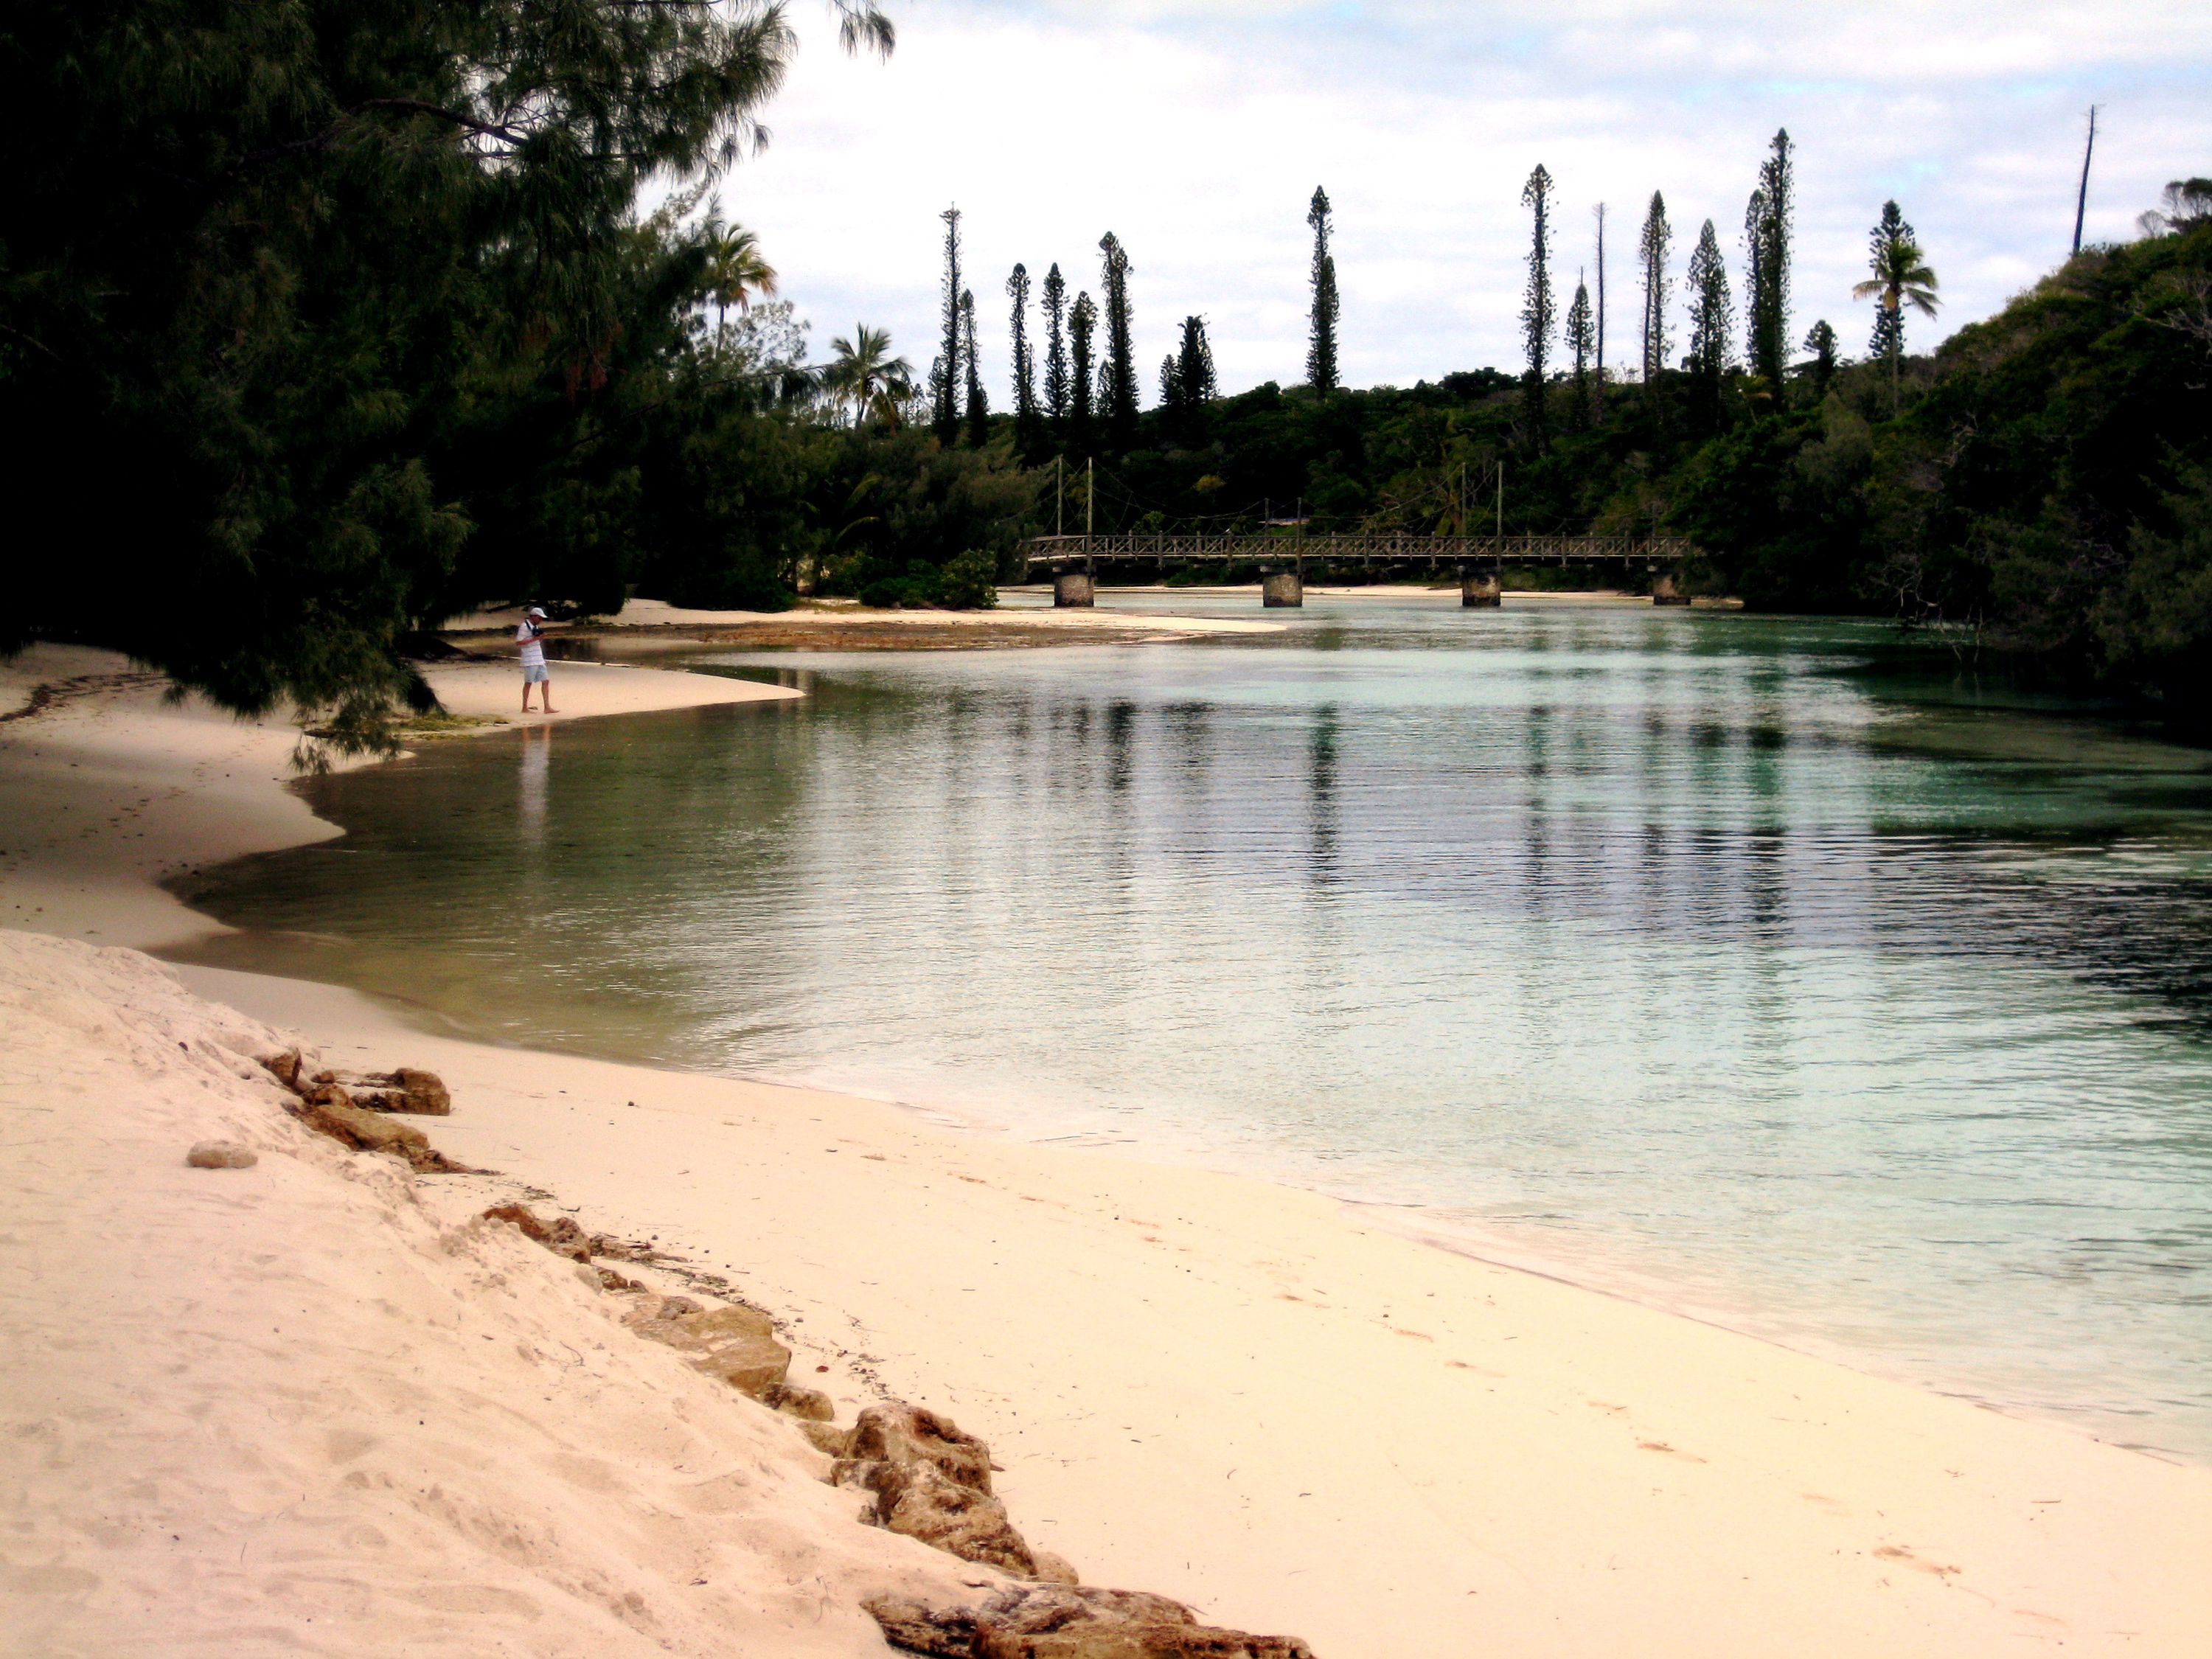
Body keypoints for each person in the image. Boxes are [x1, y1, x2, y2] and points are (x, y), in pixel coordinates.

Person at [516, 606, 557, 713]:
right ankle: (524, 707)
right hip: (529, 658)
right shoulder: (524, 627)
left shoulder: (535, 628)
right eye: (539, 618)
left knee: (546, 681)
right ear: (534, 617)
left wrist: (540, 637)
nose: (541, 620)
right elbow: (519, 642)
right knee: (528, 682)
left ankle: (547, 707)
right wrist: (536, 639)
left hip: (539, 657)